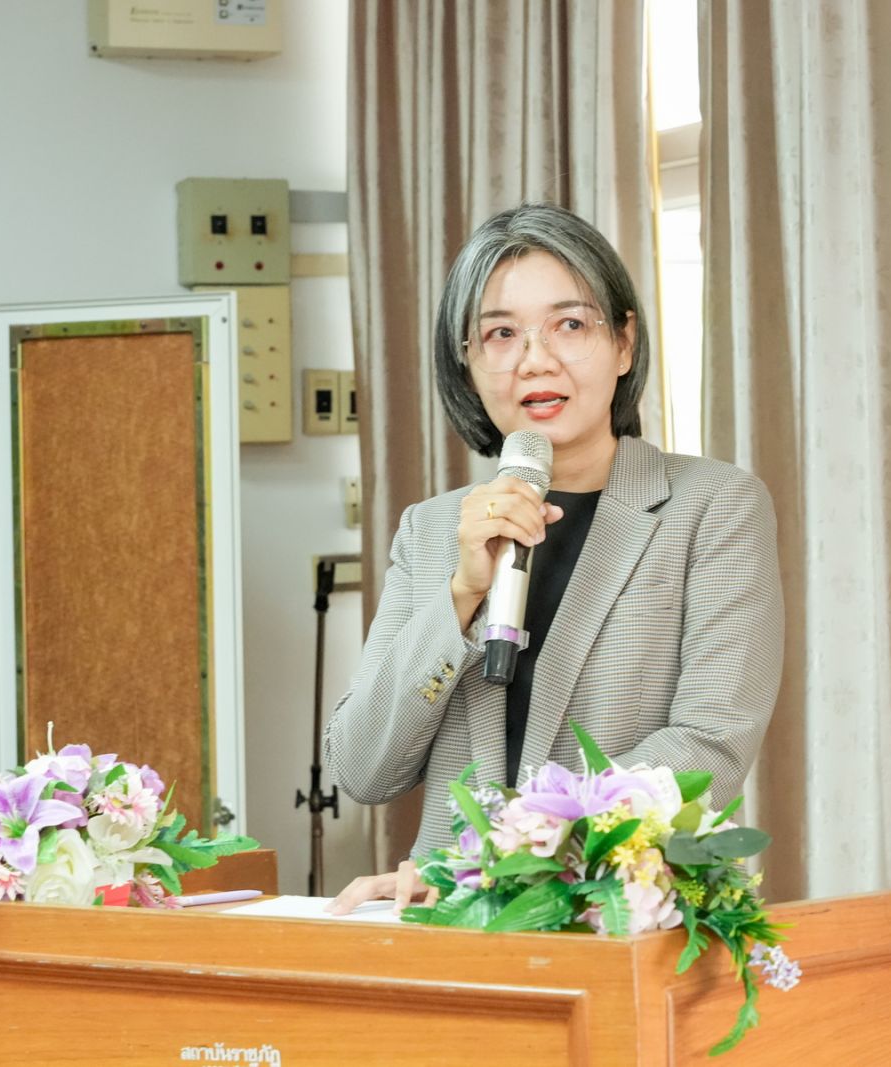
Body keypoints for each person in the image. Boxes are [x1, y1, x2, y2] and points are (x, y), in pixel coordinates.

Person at [323, 202, 784, 913]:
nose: (536, 359)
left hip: (617, 919)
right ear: (467, 364)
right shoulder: (432, 530)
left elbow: (709, 746)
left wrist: (497, 863)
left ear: (624, 343)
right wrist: (460, 596)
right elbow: (362, 768)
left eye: (570, 325)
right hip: (448, 926)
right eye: (501, 333)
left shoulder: (713, 507)